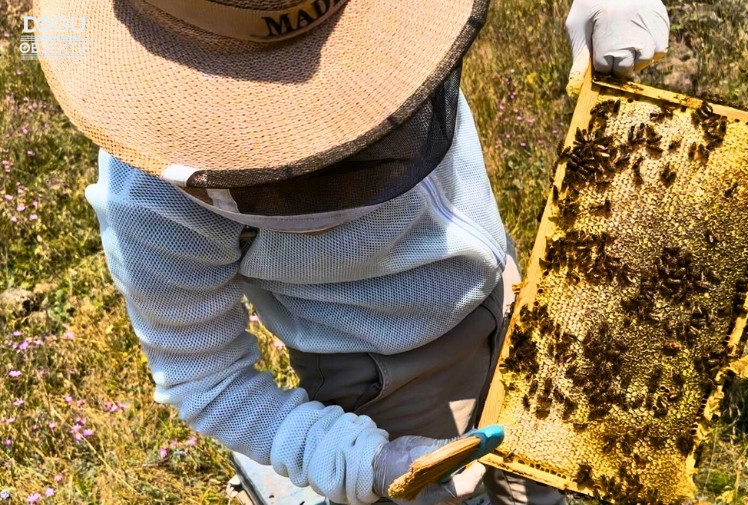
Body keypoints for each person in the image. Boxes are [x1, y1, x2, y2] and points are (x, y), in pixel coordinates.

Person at [34, 0, 668, 503]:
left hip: (508, 294)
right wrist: (361, 460)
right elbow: (209, 383)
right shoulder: (151, 202)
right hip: (386, 381)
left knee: (544, 477)